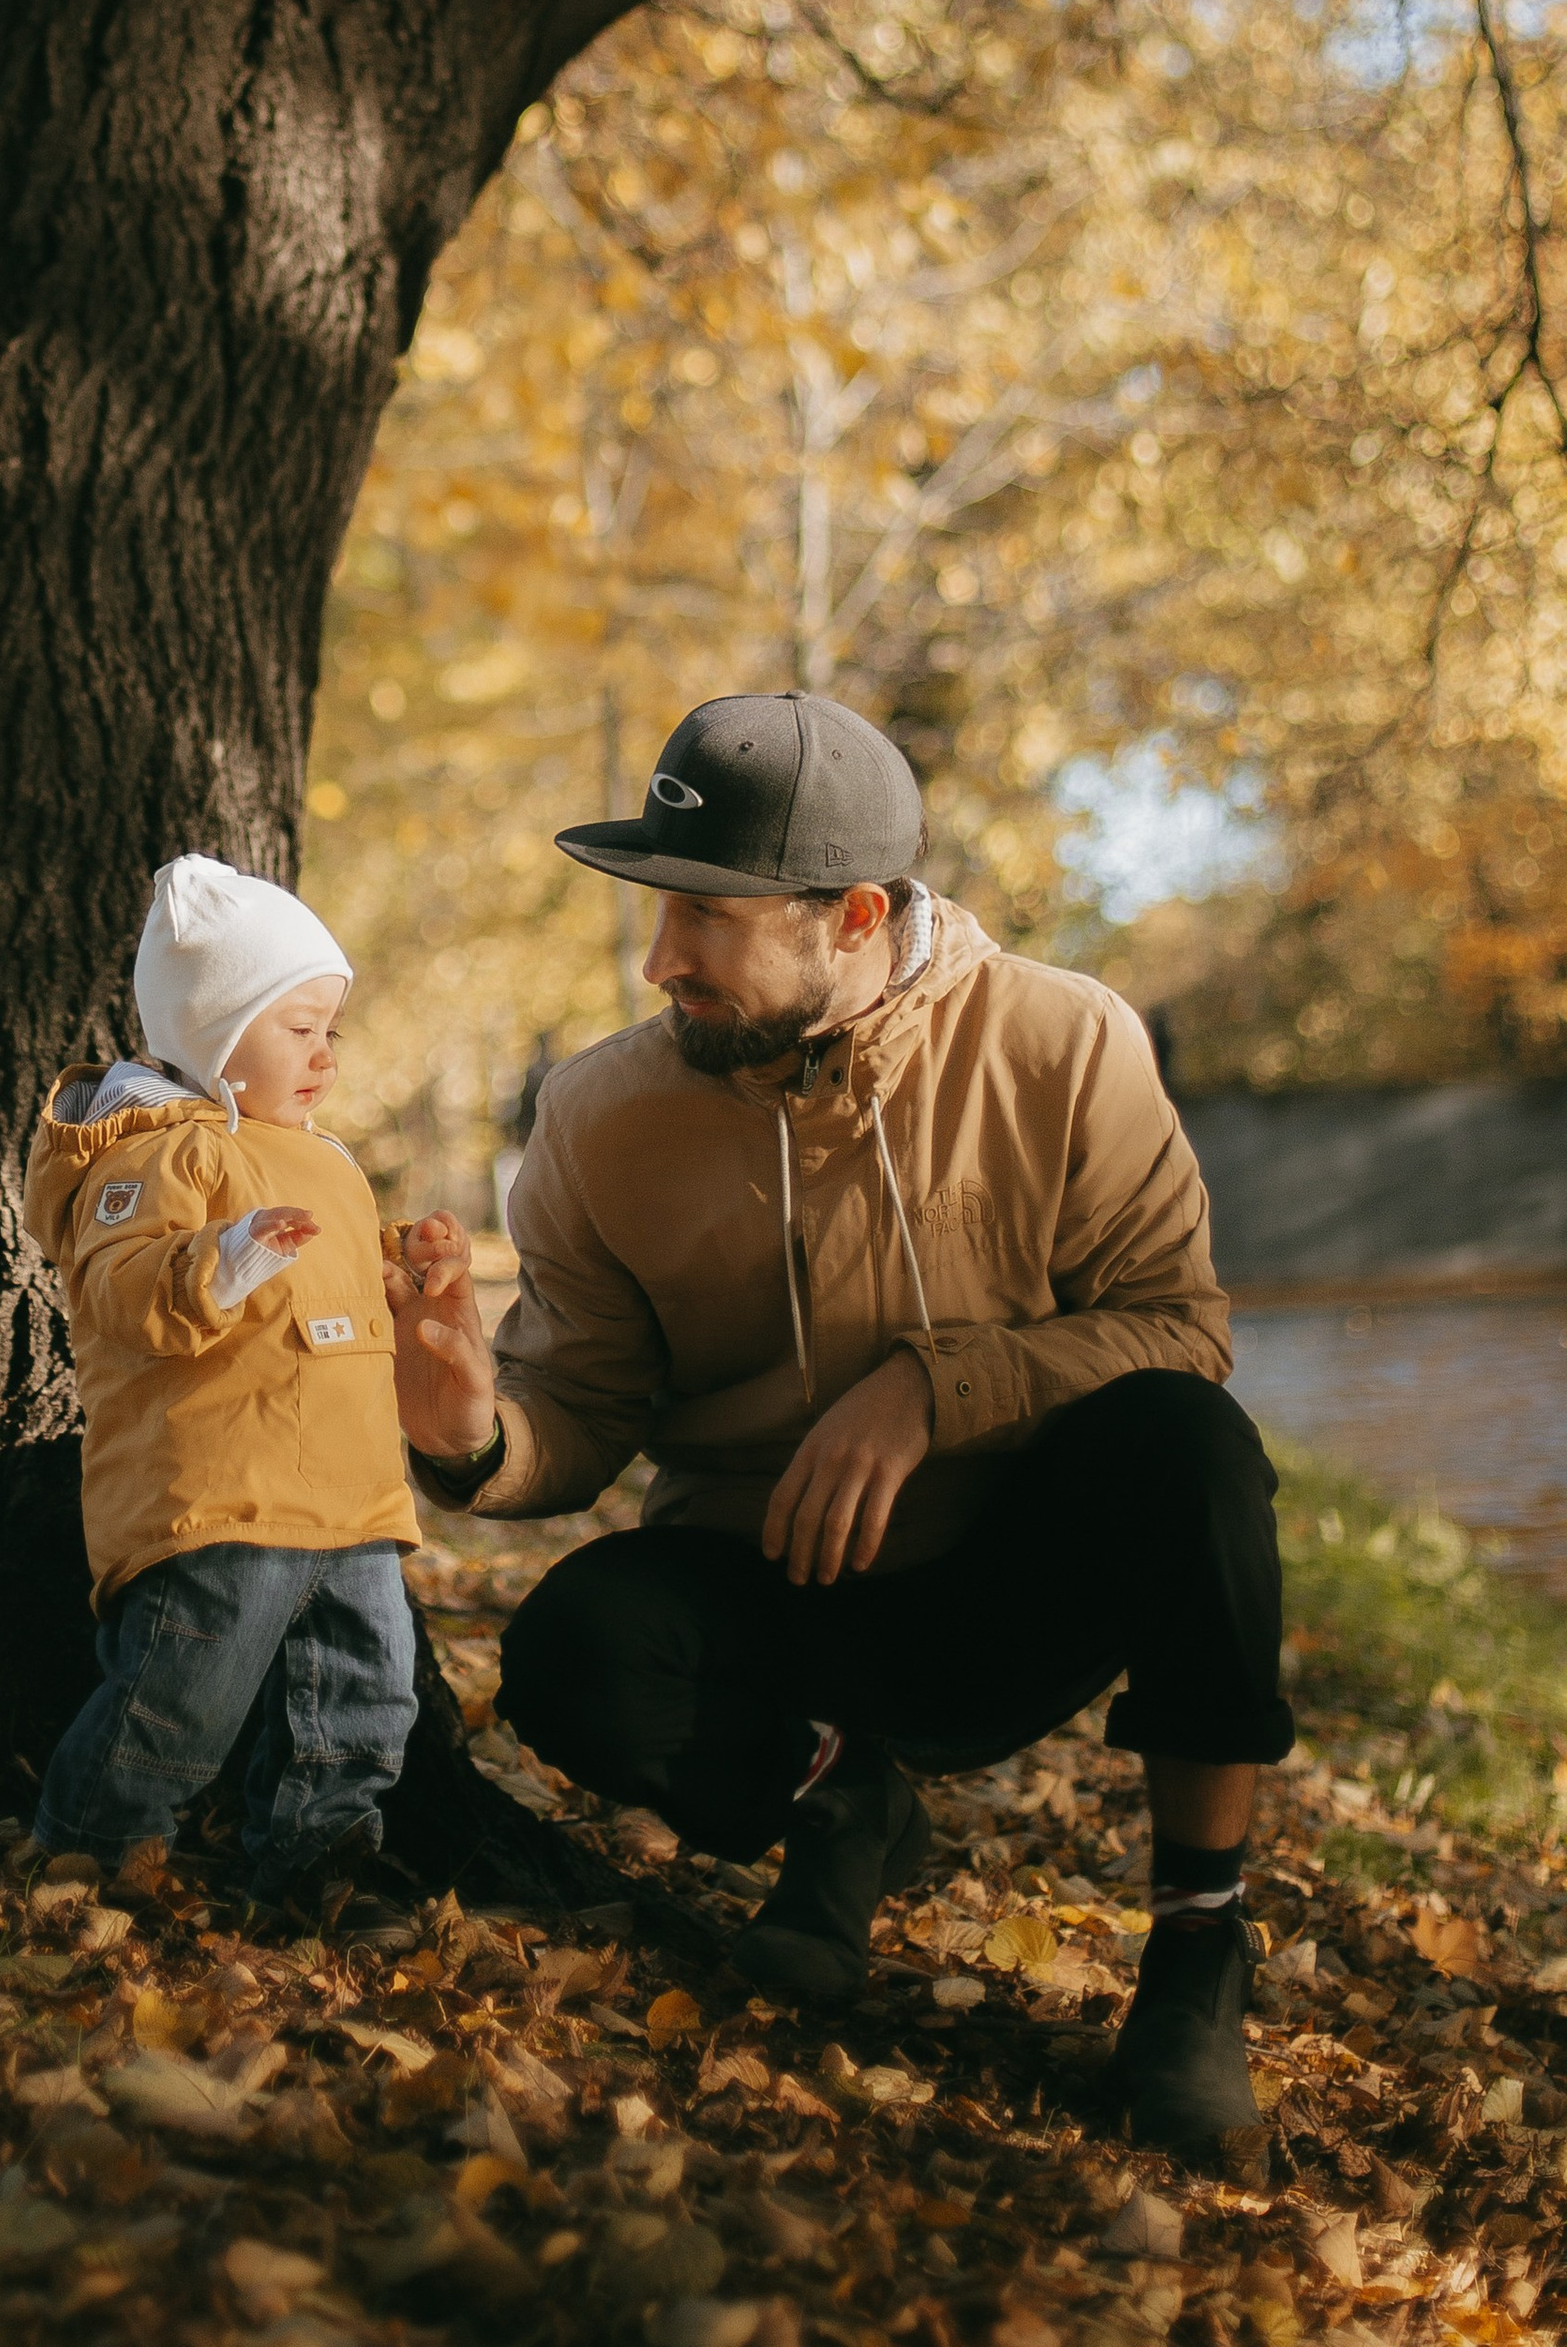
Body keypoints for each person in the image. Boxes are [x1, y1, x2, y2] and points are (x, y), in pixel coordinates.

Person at [385, 691, 1292, 2161]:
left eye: (708, 917)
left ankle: (1195, 1959)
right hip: (773, 1600)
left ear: (855, 914)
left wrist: (933, 1390)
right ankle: (840, 1798)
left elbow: (1180, 1329)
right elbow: (585, 1409)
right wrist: (474, 1430)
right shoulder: (602, 1114)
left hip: (1011, 1576)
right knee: (571, 1658)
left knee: (1192, 1454)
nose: (659, 959)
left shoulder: (1065, 1044)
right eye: (657, 910)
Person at [24, 855, 468, 1903]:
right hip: (221, 1492)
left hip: (349, 1497)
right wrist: (217, 1259)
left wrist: (404, 1266)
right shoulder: (158, 1152)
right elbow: (119, 1290)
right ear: (214, 1032)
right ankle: (88, 1849)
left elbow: (330, 1272)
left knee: (366, 1697)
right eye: (297, 1027)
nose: (324, 1054)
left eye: (331, 1031)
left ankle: (319, 1859)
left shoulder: (317, 1156)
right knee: (179, 1700)